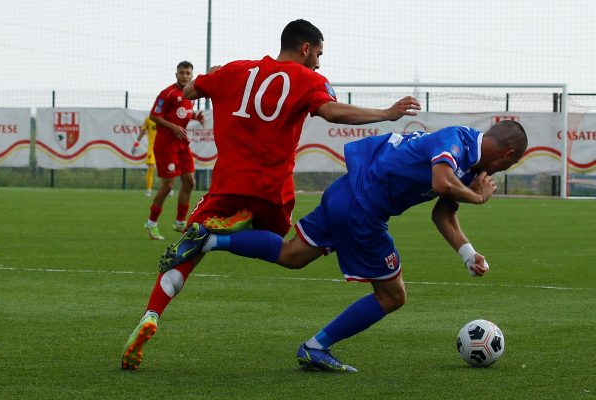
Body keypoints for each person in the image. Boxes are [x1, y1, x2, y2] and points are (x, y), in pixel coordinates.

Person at [121, 19, 421, 370]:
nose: (320, 63)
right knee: (286, 252)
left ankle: (152, 313)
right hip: (273, 192)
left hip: (227, 184)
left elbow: (189, 93)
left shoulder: (233, 70)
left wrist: (211, 75)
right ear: (305, 48)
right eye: (319, 54)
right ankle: (221, 236)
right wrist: (386, 113)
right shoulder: (310, 80)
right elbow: (331, 111)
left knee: (189, 251)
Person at [156, 120, 528, 372]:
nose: (496, 176)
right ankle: (316, 347)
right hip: (364, 211)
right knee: (392, 297)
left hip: (344, 194)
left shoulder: (467, 164)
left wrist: (468, 254)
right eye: (506, 169)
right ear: (507, 156)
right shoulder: (458, 140)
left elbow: (443, 214)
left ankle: (210, 239)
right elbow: (442, 181)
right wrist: (480, 198)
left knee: (292, 255)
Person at [143, 61, 204, 240]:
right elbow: (154, 115)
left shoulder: (190, 94)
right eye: (182, 73)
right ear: (176, 74)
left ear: (192, 75)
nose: (185, 76)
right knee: (168, 185)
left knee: (190, 182)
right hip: (166, 145)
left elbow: (181, 112)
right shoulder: (167, 93)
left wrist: (195, 116)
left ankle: (179, 222)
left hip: (182, 144)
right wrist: (174, 127)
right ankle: (151, 223)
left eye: (188, 73)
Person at [132, 115, 162, 197]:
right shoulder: (148, 119)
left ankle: (167, 188)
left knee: (165, 168)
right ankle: (149, 190)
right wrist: (136, 144)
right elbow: (142, 131)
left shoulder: (165, 118)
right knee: (151, 168)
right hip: (152, 147)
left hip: (163, 147)